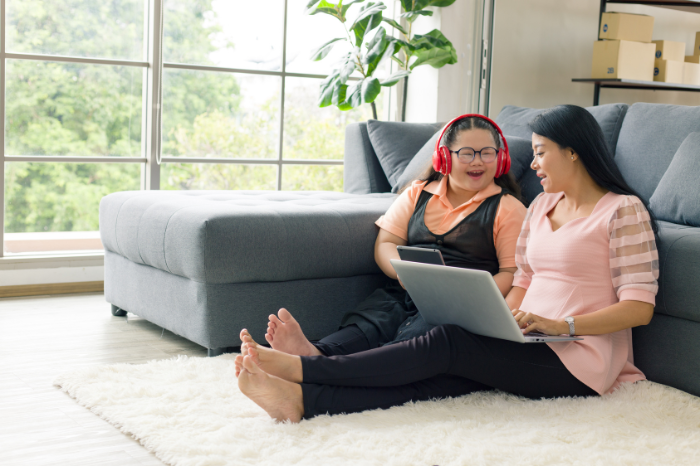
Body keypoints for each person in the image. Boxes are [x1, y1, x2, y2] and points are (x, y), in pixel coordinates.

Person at [235, 105, 659, 423]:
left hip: (577, 358)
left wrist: (561, 326)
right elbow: (526, 277)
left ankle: (307, 368)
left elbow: (639, 308)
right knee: (440, 376)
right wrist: (501, 320)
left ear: (573, 153)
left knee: (447, 342)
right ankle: (303, 402)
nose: (531, 165)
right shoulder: (543, 204)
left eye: (540, 153)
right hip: (528, 337)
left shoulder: (623, 211)